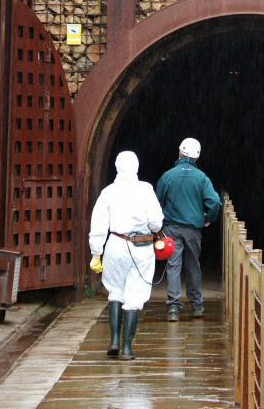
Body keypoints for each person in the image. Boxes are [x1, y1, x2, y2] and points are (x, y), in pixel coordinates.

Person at [89, 151, 163, 360]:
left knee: (116, 291)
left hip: (115, 243)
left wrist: (96, 252)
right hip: (141, 247)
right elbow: (156, 223)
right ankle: (127, 348)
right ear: (136, 167)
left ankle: (114, 340)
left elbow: (98, 224)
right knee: (135, 293)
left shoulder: (108, 192)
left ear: (117, 167)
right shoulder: (145, 190)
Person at [157, 137, 221, 322]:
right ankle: (197, 305)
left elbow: (157, 202)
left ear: (180, 152)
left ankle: (173, 307)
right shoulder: (202, 178)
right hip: (193, 229)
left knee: (173, 266)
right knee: (193, 265)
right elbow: (215, 202)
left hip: (171, 228)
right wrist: (207, 219)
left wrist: (159, 225)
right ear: (197, 156)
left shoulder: (167, 176)